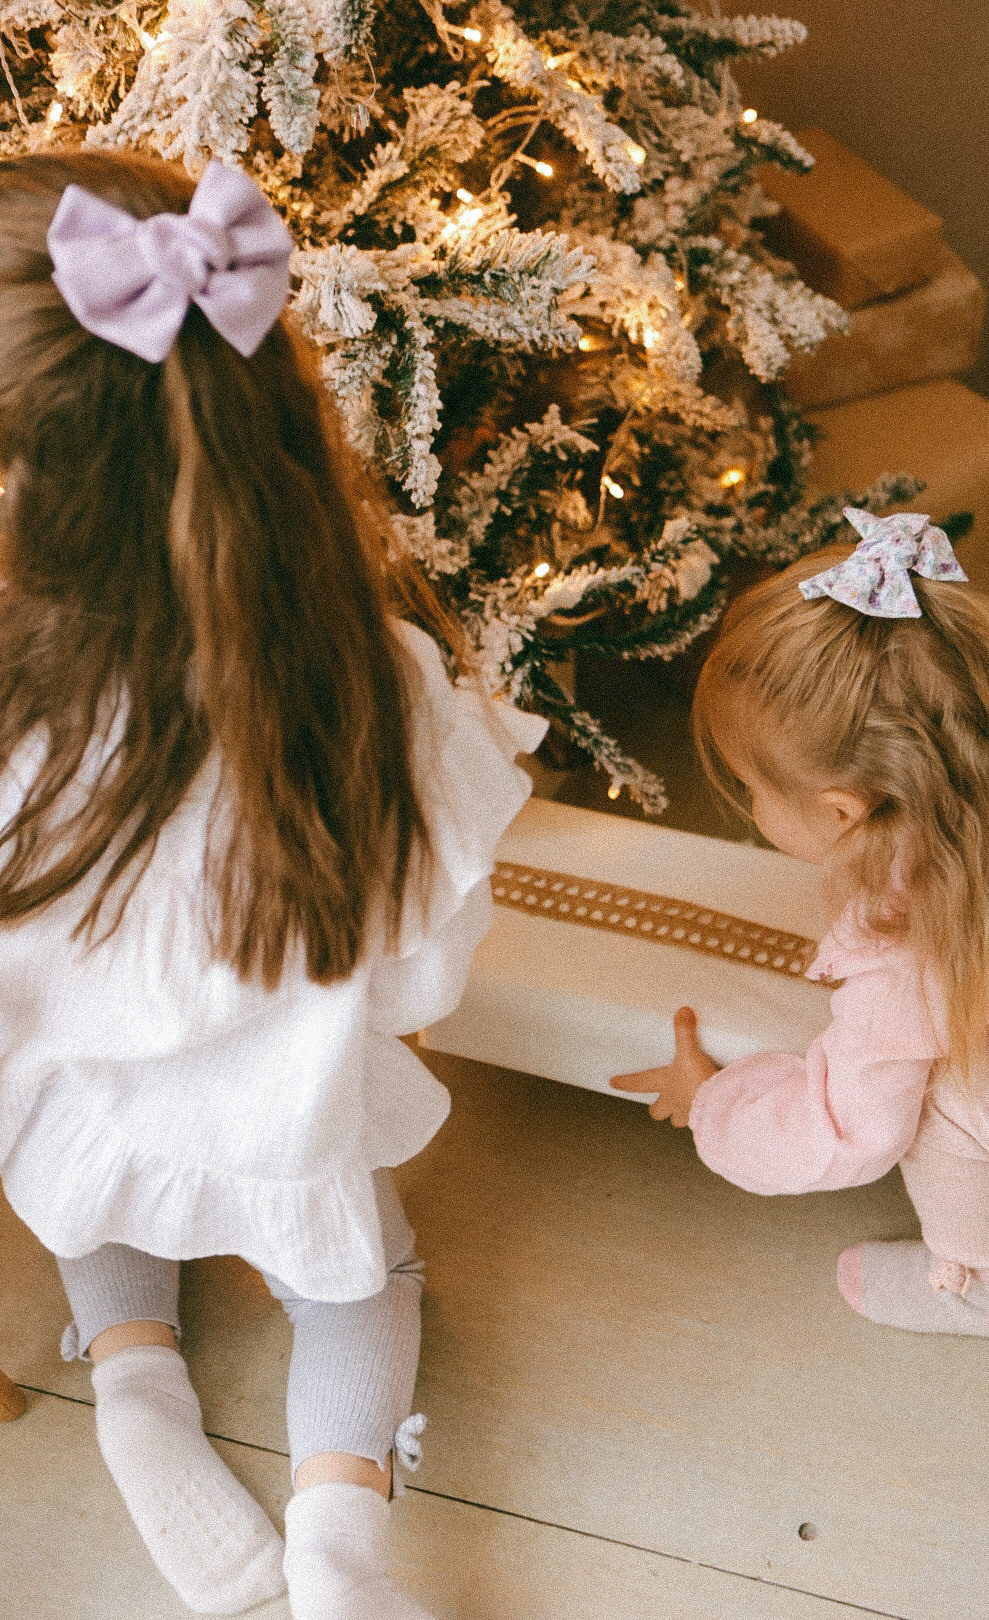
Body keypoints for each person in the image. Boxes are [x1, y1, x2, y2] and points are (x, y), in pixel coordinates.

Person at [0, 149, 544, 1617]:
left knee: (89, 1214)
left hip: (75, 1122)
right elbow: (423, 975)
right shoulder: (387, 688)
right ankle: (341, 1546)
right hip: (293, 1133)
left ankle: (137, 1391)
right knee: (367, 1291)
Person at [613, 507, 989, 1344]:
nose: (749, 804)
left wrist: (714, 1102)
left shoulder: (912, 928)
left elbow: (850, 1131)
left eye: (752, 788)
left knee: (943, 1093)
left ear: (841, 812)